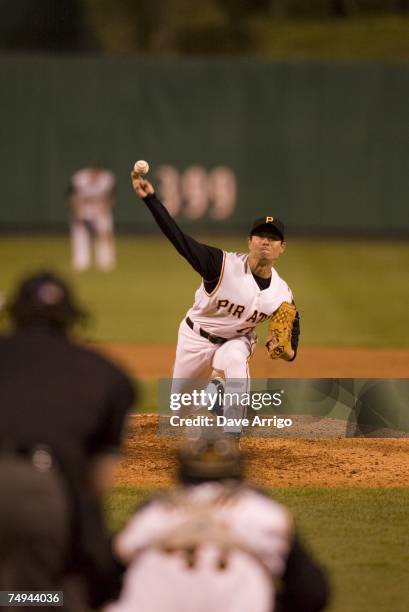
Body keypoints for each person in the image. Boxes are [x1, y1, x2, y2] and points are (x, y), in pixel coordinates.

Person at [0, 270, 135, 610]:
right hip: (45, 491)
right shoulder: (108, 375)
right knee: (54, 595)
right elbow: (96, 483)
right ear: (72, 321)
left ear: (14, 315)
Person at [130, 171, 299, 434]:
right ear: (250, 241)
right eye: (260, 235)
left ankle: (233, 434)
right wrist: (151, 198)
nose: (266, 241)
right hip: (194, 338)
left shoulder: (283, 295)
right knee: (180, 411)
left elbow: (292, 347)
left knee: (235, 359)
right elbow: (178, 238)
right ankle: (213, 393)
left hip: (235, 341)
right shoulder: (219, 265)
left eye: (273, 237)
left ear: (282, 247)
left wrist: (285, 350)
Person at [105, 437, 329, 612]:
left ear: (181, 472)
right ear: (240, 471)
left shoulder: (153, 513)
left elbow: (99, 573)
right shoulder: (266, 514)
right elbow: (313, 593)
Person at [67, 162, 116, 271]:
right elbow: (71, 196)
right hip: (83, 209)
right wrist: (77, 211)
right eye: (94, 173)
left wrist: (104, 209)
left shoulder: (106, 179)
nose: (95, 176)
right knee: (80, 235)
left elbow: (111, 197)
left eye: (97, 173)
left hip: (100, 209)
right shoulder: (80, 178)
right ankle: (81, 262)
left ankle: (105, 262)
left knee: (104, 234)